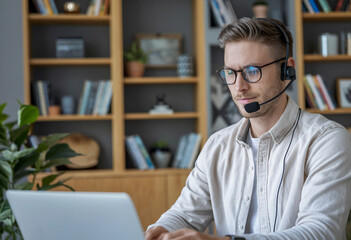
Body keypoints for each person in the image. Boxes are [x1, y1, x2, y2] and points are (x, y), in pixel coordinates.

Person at [145, 17, 351, 240]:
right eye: (231, 73)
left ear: (287, 71)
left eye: (252, 71)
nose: (239, 87)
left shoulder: (327, 140)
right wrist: (162, 229)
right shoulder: (217, 145)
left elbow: (321, 232)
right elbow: (184, 214)